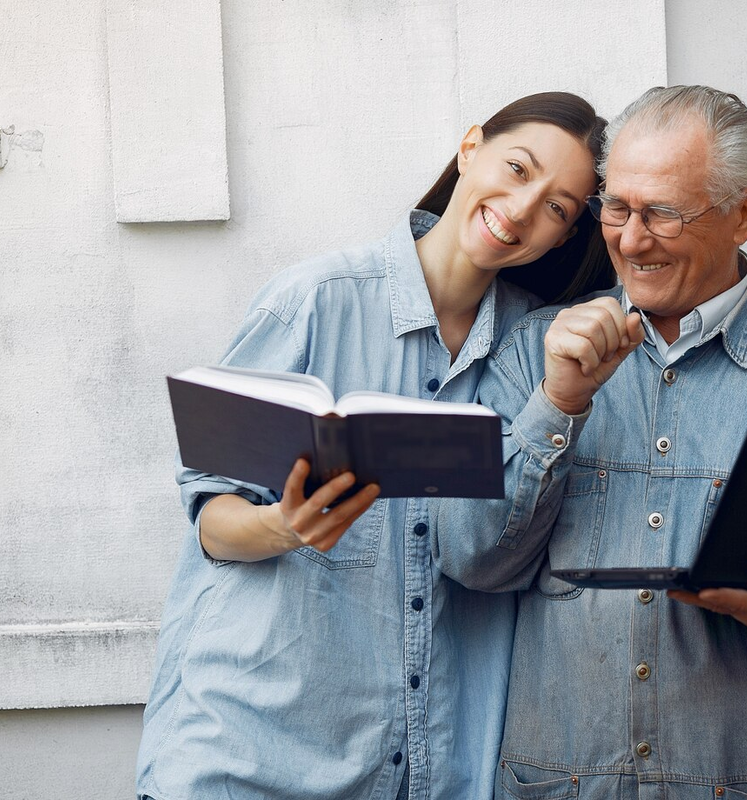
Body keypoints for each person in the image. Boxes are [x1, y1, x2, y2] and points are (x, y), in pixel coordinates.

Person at [438, 86, 747, 800]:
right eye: (618, 207)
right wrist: (559, 405)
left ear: (745, 214)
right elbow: (472, 559)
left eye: (663, 213)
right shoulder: (529, 355)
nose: (631, 241)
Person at [136, 91, 614, 800]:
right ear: (469, 147)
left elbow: (502, 549)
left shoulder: (535, 353)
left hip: (428, 769)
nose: (521, 208)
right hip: (248, 758)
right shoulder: (313, 302)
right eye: (518, 168)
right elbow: (212, 518)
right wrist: (282, 526)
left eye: (556, 207)